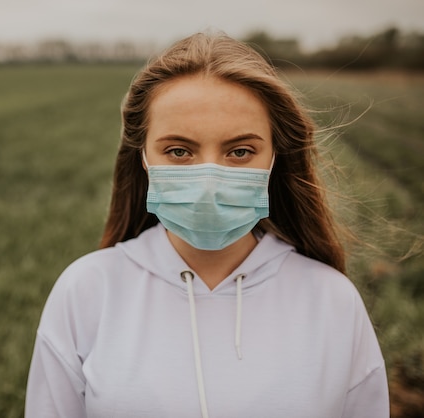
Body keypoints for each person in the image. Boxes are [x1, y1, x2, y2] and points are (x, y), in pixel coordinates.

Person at [25, 33, 389, 418]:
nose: (210, 179)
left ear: (273, 159)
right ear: (144, 158)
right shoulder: (86, 292)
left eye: (240, 152)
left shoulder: (332, 300)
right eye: (179, 151)